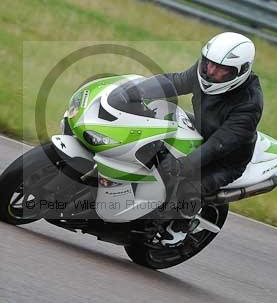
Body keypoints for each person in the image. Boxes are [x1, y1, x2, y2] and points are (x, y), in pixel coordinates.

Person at [110, 32, 263, 217]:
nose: (211, 72)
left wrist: (181, 166)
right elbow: (175, 81)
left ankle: (172, 227)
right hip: (201, 129)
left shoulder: (249, 104)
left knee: (185, 190)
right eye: (209, 63)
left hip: (225, 161)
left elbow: (217, 145)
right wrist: (132, 92)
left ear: (240, 71)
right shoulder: (204, 71)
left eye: (221, 69)